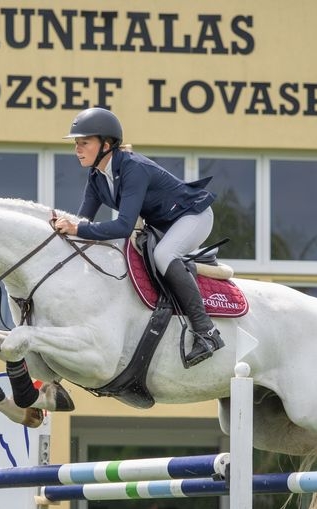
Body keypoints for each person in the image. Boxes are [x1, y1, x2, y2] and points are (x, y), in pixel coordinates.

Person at [54, 107, 224, 367]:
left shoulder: (134, 168)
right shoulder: (97, 177)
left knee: (164, 255)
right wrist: (62, 231)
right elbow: (83, 222)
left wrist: (77, 229)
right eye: (76, 143)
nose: (77, 149)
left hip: (194, 216)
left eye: (84, 143)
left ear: (107, 144)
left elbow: (122, 227)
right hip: (164, 224)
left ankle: (206, 331)